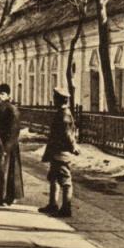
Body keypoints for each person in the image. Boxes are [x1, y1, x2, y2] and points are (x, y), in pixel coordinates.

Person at [39, 87, 80, 217]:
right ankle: (53, 204)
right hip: (57, 151)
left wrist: (73, 146)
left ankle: (66, 208)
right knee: (54, 178)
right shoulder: (61, 113)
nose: (54, 100)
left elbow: (68, 134)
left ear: (60, 100)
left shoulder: (64, 115)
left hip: (62, 152)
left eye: (55, 98)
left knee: (65, 180)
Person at [0, 83, 24, 206]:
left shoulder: (12, 109)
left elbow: (14, 130)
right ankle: (0, 196)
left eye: (3, 94)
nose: (0, 97)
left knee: (9, 171)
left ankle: (9, 197)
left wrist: (7, 147)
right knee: (1, 170)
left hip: (9, 146)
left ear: (8, 95)